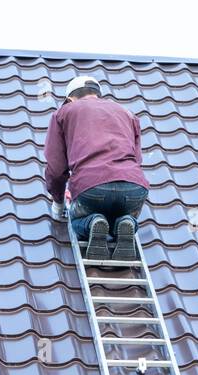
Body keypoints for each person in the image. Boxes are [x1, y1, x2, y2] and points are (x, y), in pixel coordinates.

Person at [43, 76, 149, 261]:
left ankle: (93, 224)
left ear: (69, 99)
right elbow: (136, 159)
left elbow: (56, 166)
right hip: (134, 189)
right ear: (97, 94)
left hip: (92, 187)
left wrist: (58, 202)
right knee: (121, 214)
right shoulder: (127, 113)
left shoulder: (65, 112)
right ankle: (126, 223)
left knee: (78, 220)